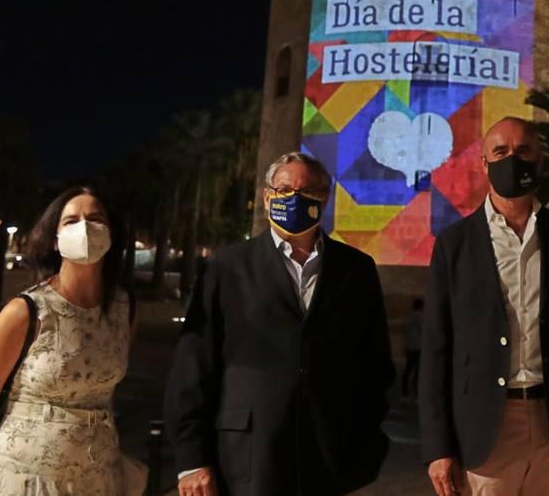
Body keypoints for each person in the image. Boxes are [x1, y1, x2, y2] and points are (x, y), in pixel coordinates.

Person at [166, 151, 394, 496]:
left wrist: (368, 444)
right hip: (245, 457)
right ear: (267, 195)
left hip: (328, 459)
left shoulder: (356, 269)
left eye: (307, 191)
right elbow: (193, 367)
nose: (294, 199)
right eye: (284, 189)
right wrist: (192, 459)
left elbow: (375, 364)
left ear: (325, 197)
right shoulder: (226, 267)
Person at [420, 117, 549, 496]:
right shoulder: (455, 245)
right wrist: (439, 448)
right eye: (501, 152)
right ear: (484, 164)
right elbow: (437, 351)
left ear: (540, 161)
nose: (512, 160)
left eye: (523, 152)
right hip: (485, 429)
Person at [0, 186, 146, 495]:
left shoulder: (124, 310)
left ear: (111, 235)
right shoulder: (26, 311)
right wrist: (9, 470)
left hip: (98, 480)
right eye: (71, 221)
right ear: (55, 241)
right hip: (25, 482)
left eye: (95, 219)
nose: (84, 228)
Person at [404, 298, 425, 401]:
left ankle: (405, 392)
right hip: (417, 347)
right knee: (417, 372)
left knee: (408, 370)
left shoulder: (409, 317)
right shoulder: (421, 318)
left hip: (409, 347)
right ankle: (416, 394)